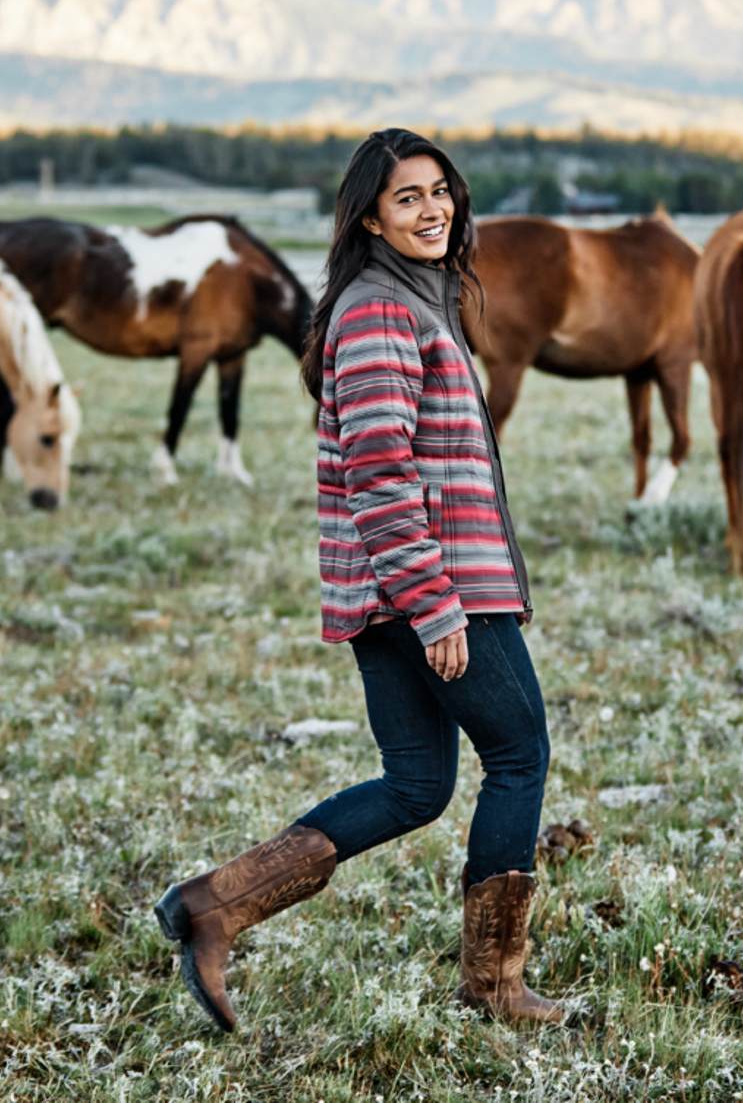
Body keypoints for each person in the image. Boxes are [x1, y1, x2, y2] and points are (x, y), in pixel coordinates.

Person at [155, 127, 563, 1031]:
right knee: (519, 755)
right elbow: (381, 470)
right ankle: (494, 986)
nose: (432, 210)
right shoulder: (382, 310)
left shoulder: (423, 300)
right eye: (407, 198)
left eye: (440, 191)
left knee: (417, 784)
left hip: (395, 591)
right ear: (370, 219)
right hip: (433, 586)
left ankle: (213, 906)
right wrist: (434, 604)